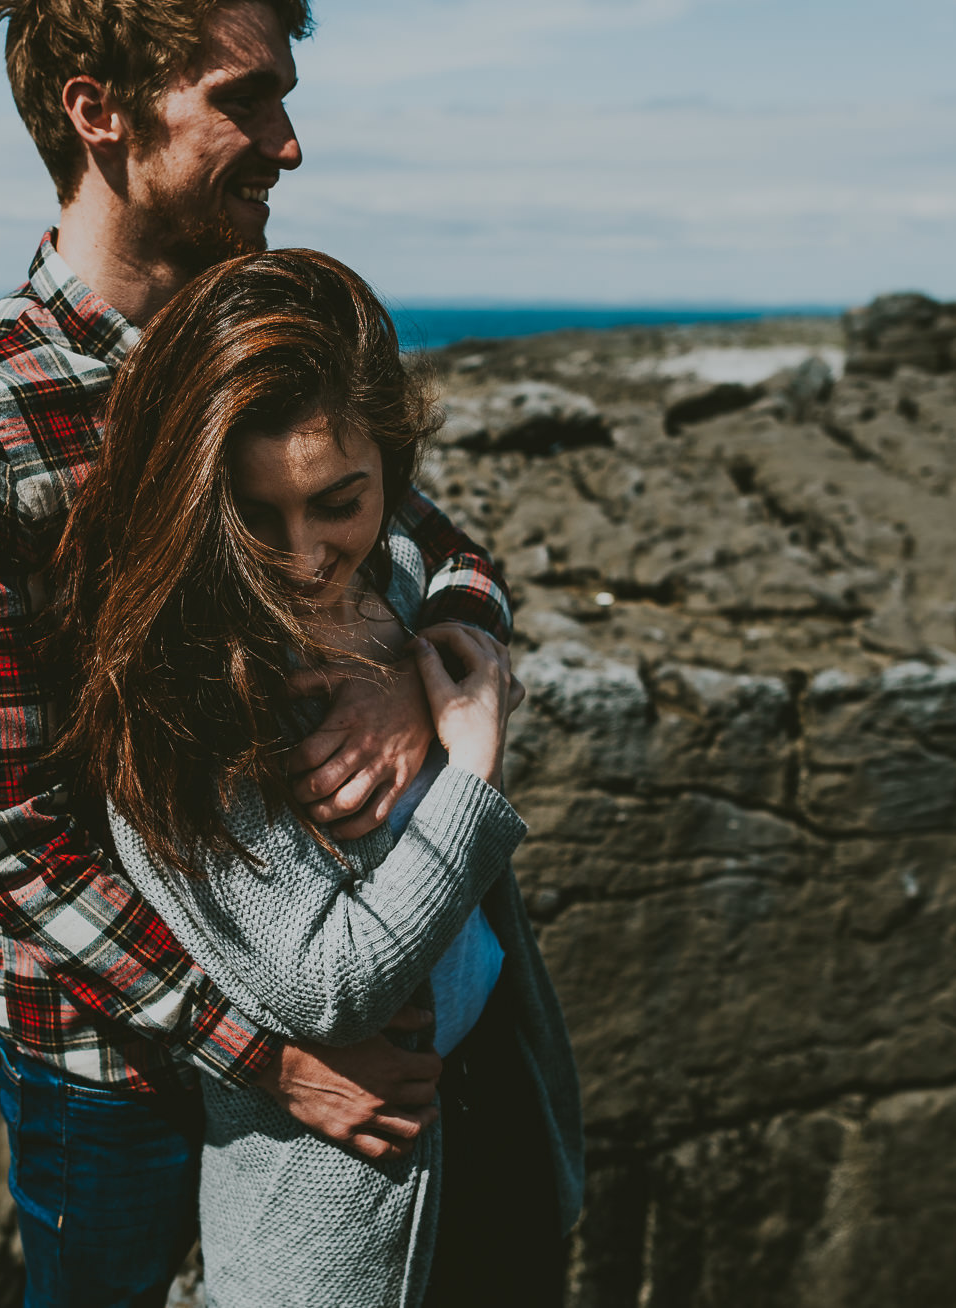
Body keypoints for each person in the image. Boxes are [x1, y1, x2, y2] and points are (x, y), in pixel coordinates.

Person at [0, 1, 519, 1302]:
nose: (288, 143)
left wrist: (431, 662)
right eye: (246, 98)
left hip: (381, 980)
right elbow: (2, 830)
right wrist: (265, 1057)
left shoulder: (267, 337)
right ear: (97, 112)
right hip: (126, 1076)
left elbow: (453, 551)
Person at [50, 249, 584, 1306]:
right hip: (342, 1218)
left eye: (339, 500)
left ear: (391, 463)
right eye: (255, 516)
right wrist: (472, 761)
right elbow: (324, 984)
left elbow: (465, 577)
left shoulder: (391, 578)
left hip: (497, 1131)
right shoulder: (175, 688)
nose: (304, 556)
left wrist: (427, 649)